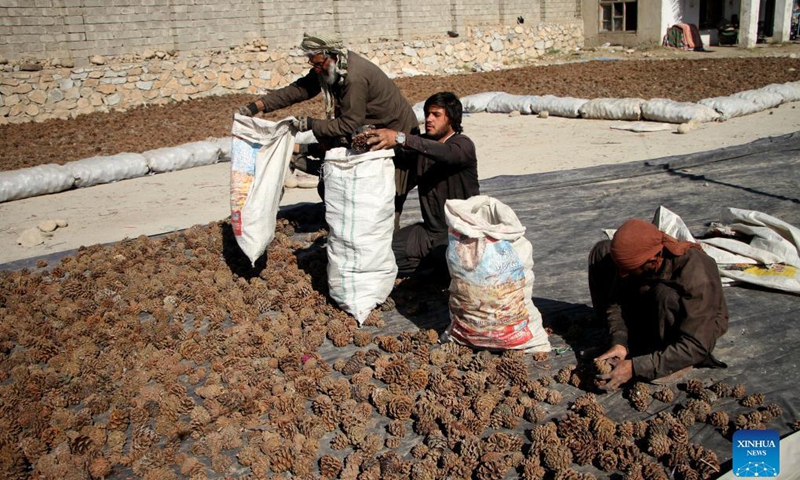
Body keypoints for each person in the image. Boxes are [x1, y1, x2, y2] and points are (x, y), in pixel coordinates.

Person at [237, 32, 419, 219]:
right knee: (337, 179)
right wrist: (256, 107)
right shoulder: (329, 69)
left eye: (318, 63)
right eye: (312, 64)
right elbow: (298, 90)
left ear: (333, 56)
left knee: (385, 202)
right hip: (367, 133)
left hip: (395, 138)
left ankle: (386, 240)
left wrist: (311, 124)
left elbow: (349, 124)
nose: (316, 69)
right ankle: (300, 157)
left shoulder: (353, 78)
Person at [588, 218, 728, 390]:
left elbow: (697, 345)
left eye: (628, 269)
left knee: (665, 294)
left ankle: (671, 359)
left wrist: (636, 367)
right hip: (648, 303)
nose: (622, 275)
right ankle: (629, 342)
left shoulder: (696, 274)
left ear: (652, 260)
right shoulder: (644, 263)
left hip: (692, 335)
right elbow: (614, 301)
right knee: (602, 252)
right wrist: (619, 340)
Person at [366, 92, 479, 279]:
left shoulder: (462, 145)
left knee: (447, 257)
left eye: (436, 115)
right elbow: (399, 155)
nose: (428, 119)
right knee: (382, 255)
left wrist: (402, 138)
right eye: (427, 114)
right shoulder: (422, 148)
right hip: (430, 231)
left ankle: (437, 268)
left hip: (460, 233)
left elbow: (445, 153)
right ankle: (430, 269)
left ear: (451, 118)